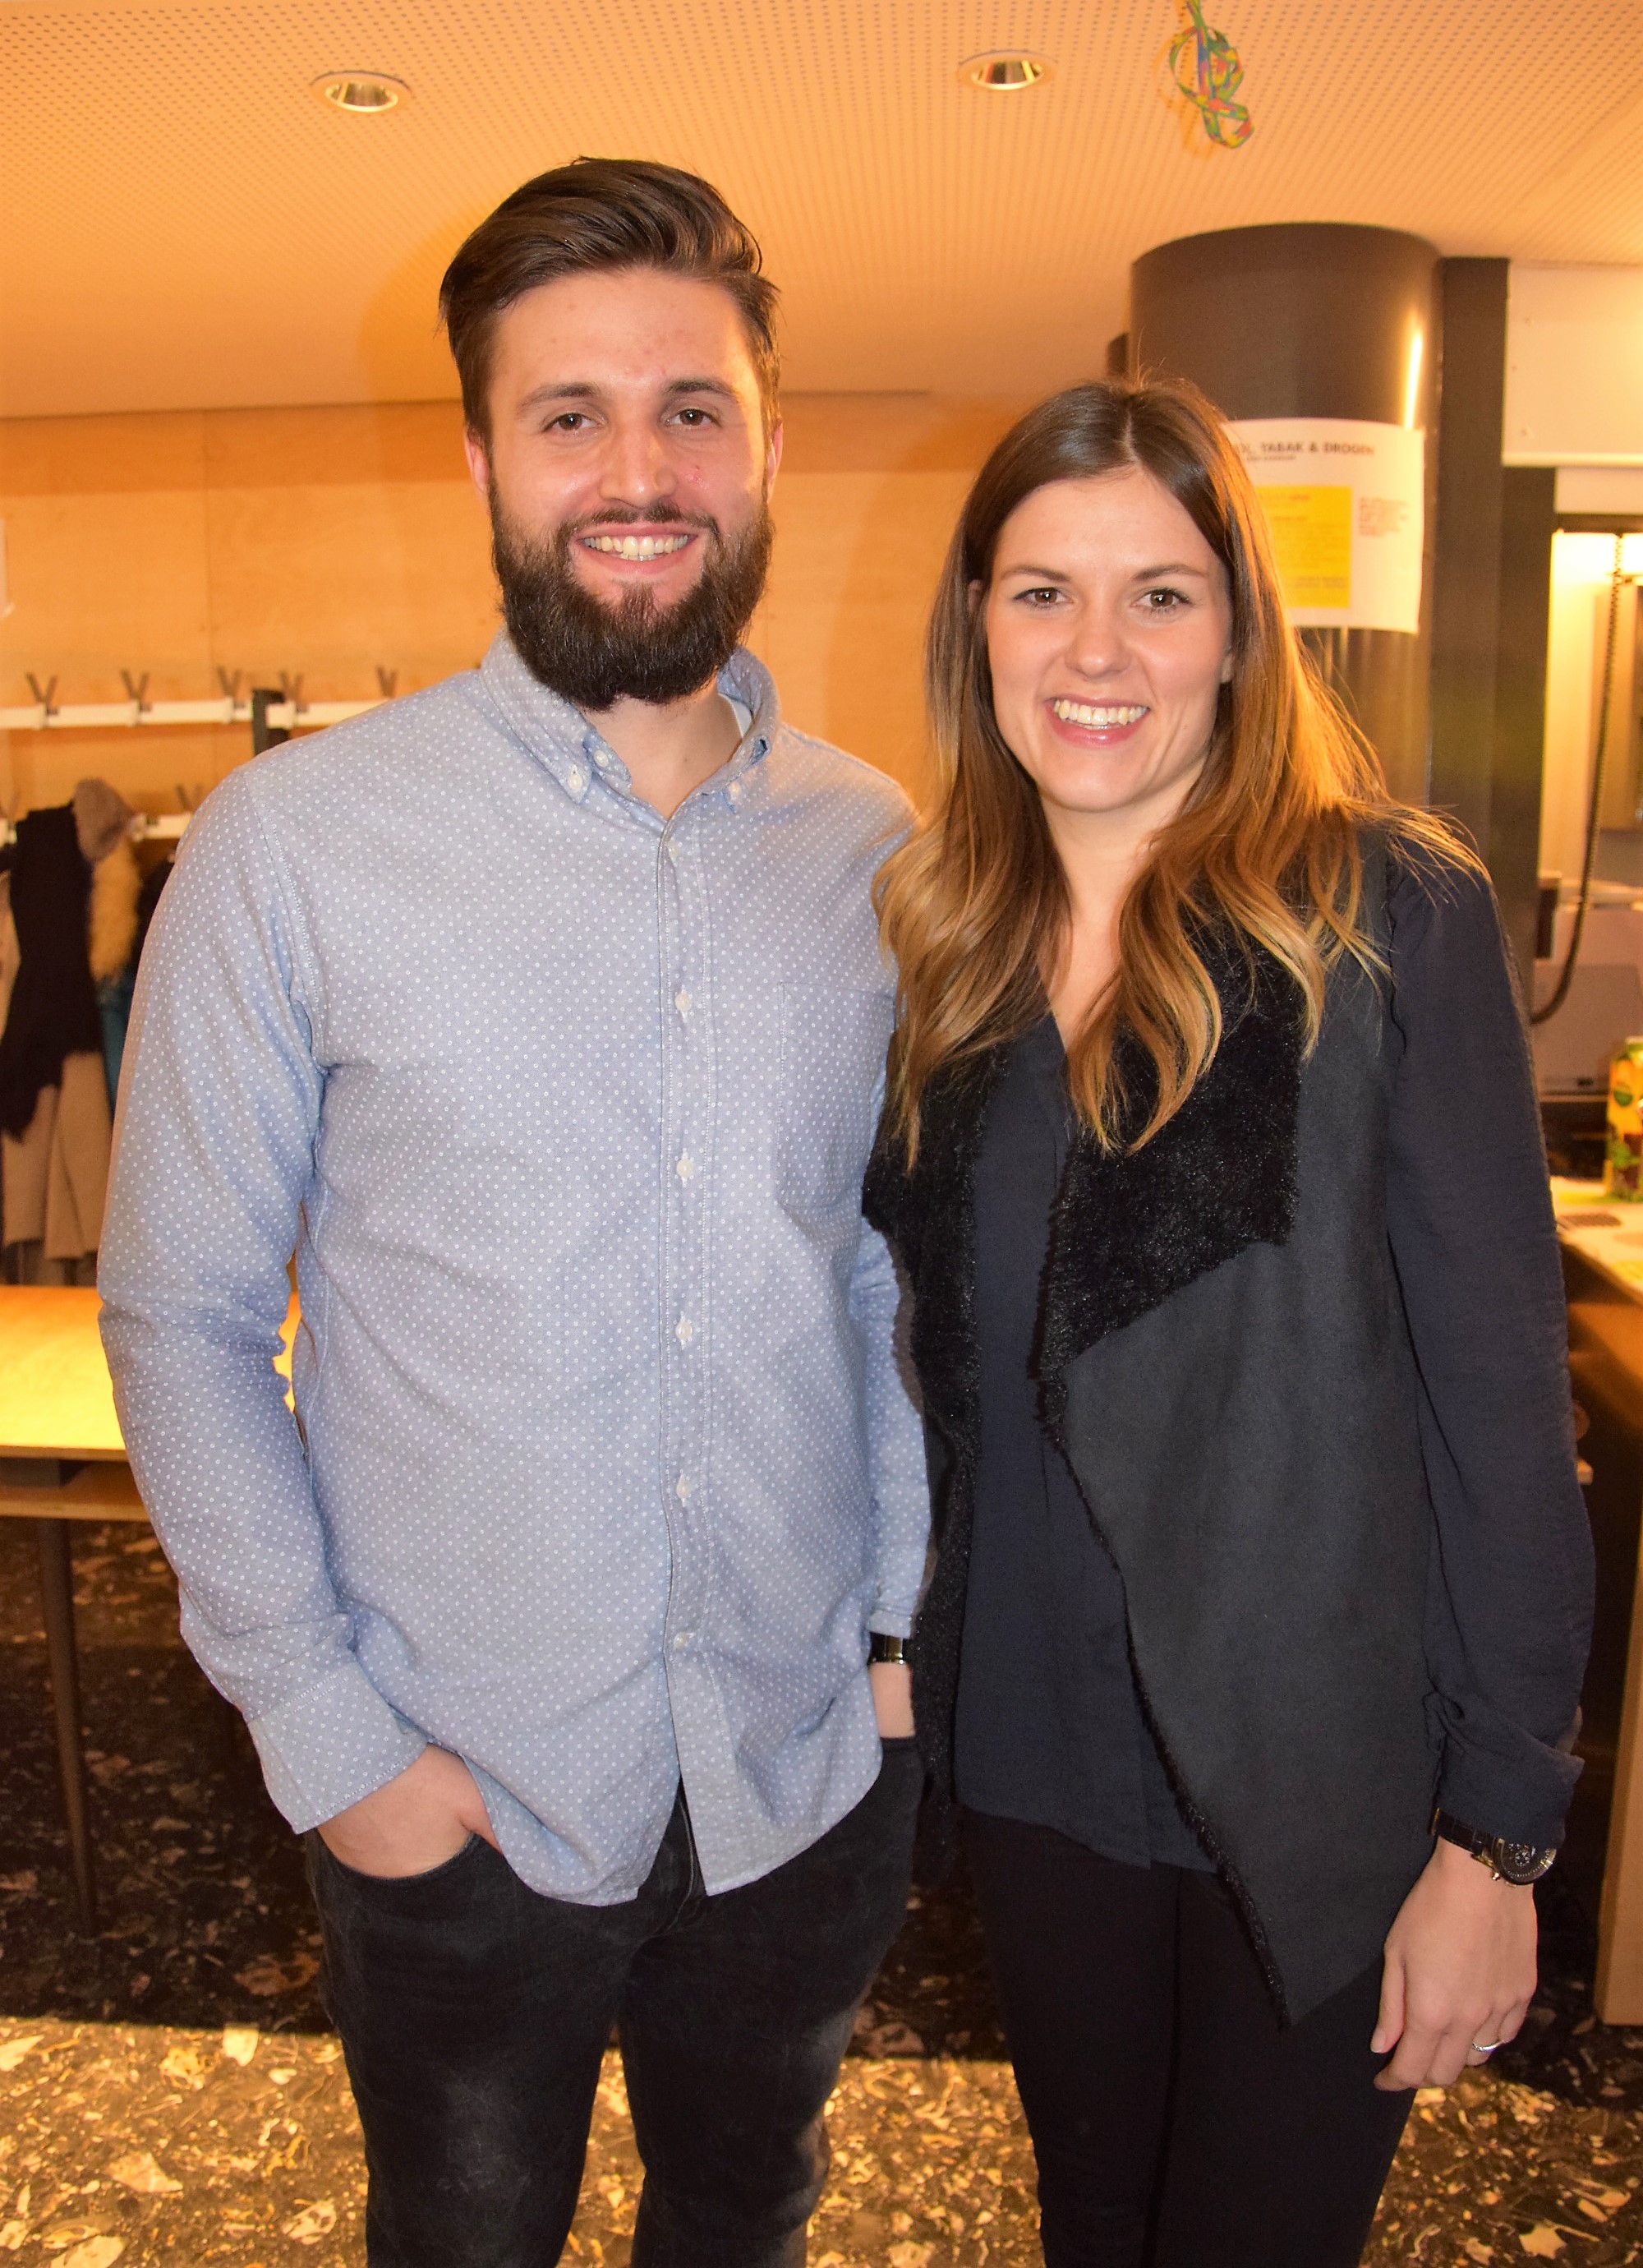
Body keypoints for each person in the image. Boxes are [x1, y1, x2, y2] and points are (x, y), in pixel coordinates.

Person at [99, 158, 927, 2268]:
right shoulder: (293, 847)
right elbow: (183, 1316)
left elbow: (879, 1277)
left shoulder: (882, 852)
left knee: (747, 2217)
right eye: (571, 415)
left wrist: (898, 1640)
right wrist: (331, 1740)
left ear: (768, 446)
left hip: (802, 1777)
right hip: (451, 1787)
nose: (636, 473)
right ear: (482, 455)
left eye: (690, 410)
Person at [863, 377, 1594, 2267]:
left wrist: (1499, 1837)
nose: (1096, 651)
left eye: (1161, 594)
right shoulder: (945, 943)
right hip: (1034, 1765)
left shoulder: (1378, 914)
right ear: (977, 626)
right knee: (1093, 2229)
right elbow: (930, 1371)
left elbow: (1499, 1411)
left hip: (1312, 1786)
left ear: (1237, 634)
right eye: (1043, 592)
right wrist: (894, 1638)